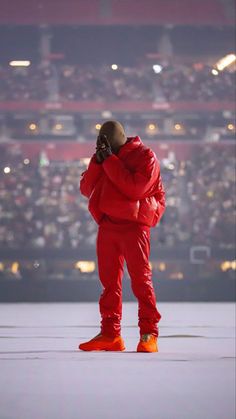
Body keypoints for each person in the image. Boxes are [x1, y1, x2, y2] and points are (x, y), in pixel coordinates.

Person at [78, 121, 166, 352]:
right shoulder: (106, 157)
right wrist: (98, 161)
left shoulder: (146, 156)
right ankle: (110, 334)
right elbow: (86, 188)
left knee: (141, 281)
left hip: (135, 226)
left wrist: (109, 160)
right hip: (108, 224)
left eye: (107, 141)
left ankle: (148, 334)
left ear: (118, 138)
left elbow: (136, 189)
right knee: (109, 284)